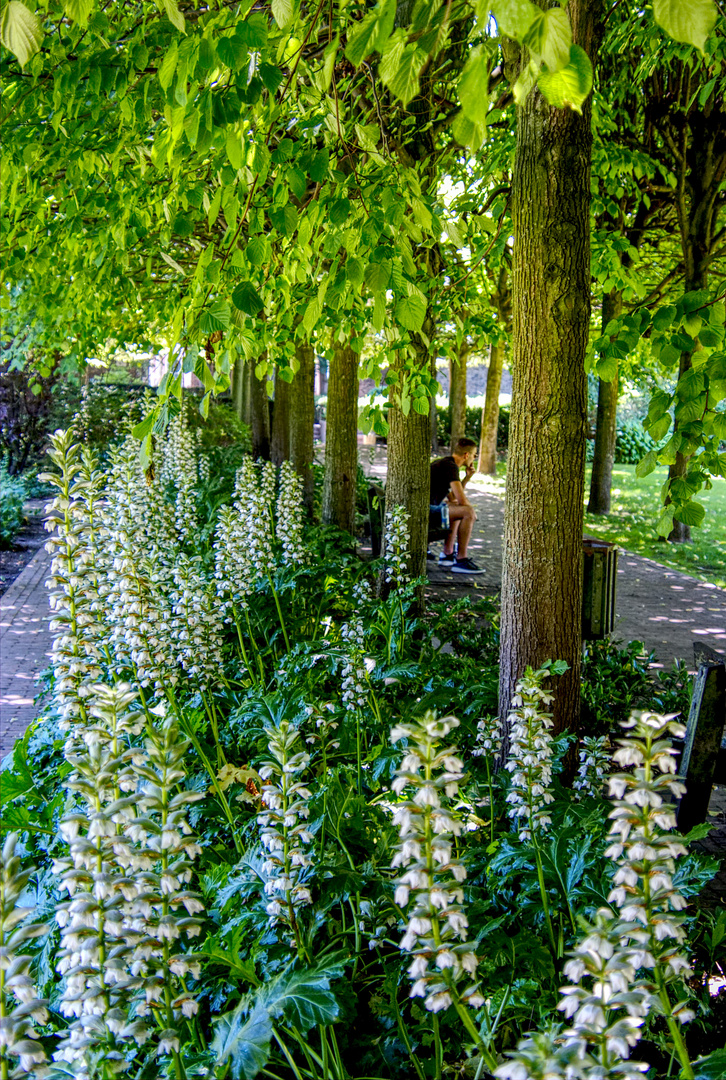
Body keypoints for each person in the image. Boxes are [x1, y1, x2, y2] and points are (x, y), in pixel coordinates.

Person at [429, 437, 484, 575]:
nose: (474, 458)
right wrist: (472, 513)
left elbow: (453, 497)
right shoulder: (450, 466)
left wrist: (467, 477)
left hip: (426, 508)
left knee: (457, 508)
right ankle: (461, 560)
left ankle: (447, 554)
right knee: (468, 512)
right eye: (474, 455)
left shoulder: (446, 464)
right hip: (425, 511)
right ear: (466, 455)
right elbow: (462, 501)